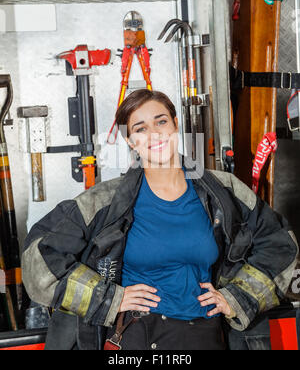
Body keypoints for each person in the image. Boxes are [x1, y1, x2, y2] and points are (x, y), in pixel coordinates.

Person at [22, 89, 298, 350]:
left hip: (204, 335)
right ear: (130, 141)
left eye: (161, 121)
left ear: (175, 125)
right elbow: (39, 255)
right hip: (135, 335)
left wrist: (238, 298)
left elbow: (281, 245)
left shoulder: (224, 191)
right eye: (140, 128)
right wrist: (106, 298)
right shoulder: (103, 201)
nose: (154, 134)